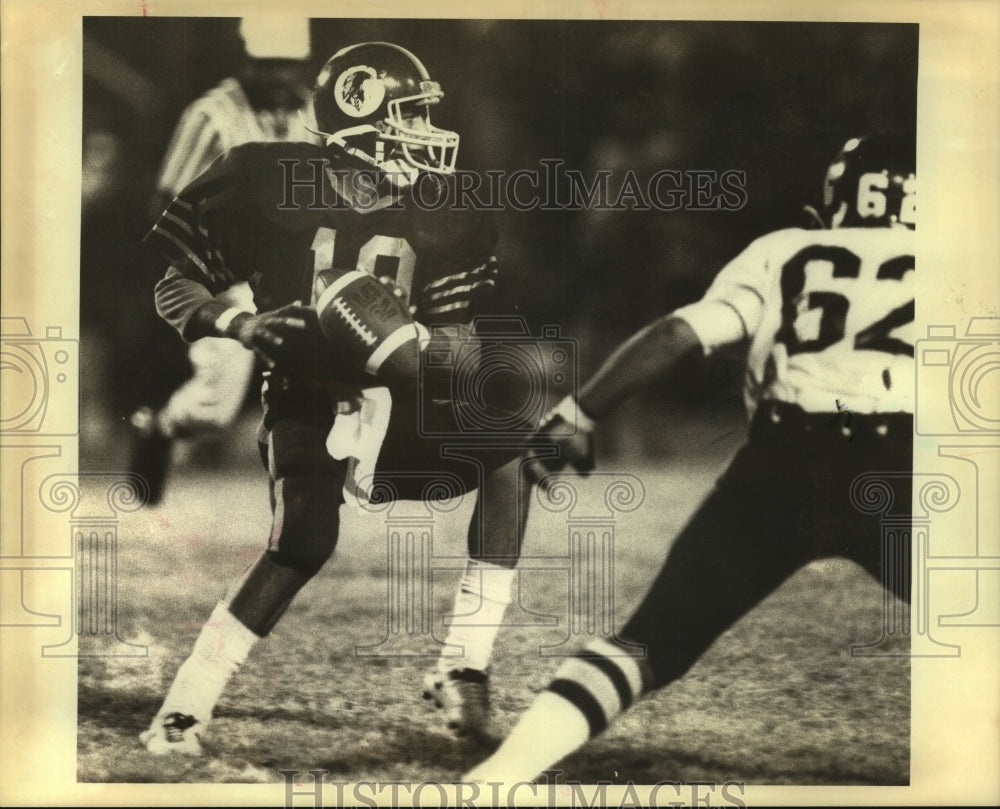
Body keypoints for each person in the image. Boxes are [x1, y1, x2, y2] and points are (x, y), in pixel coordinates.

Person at [465, 134, 916, 783]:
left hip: (783, 462)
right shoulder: (963, 255)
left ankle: (493, 781)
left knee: (645, 646)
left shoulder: (786, 249)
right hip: (901, 468)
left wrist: (576, 414)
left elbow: (678, 332)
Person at [140, 41, 536, 755]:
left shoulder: (447, 206)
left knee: (508, 454)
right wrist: (243, 322)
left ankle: (464, 663)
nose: (426, 134)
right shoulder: (264, 177)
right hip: (305, 393)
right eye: (409, 116)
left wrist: (409, 346)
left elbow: (463, 342)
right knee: (303, 539)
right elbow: (176, 283)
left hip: (397, 393)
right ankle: (184, 707)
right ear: (361, 114)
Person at [129, 16, 318, 505]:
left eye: (289, 65)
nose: (280, 77)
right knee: (215, 410)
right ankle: (160, 427)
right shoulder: (211, 115)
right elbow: (167, 205)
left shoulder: (317, 114)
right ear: (247, 62)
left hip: (306, 271)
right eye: (268, 64)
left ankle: (309, 498)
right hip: (230, 274)